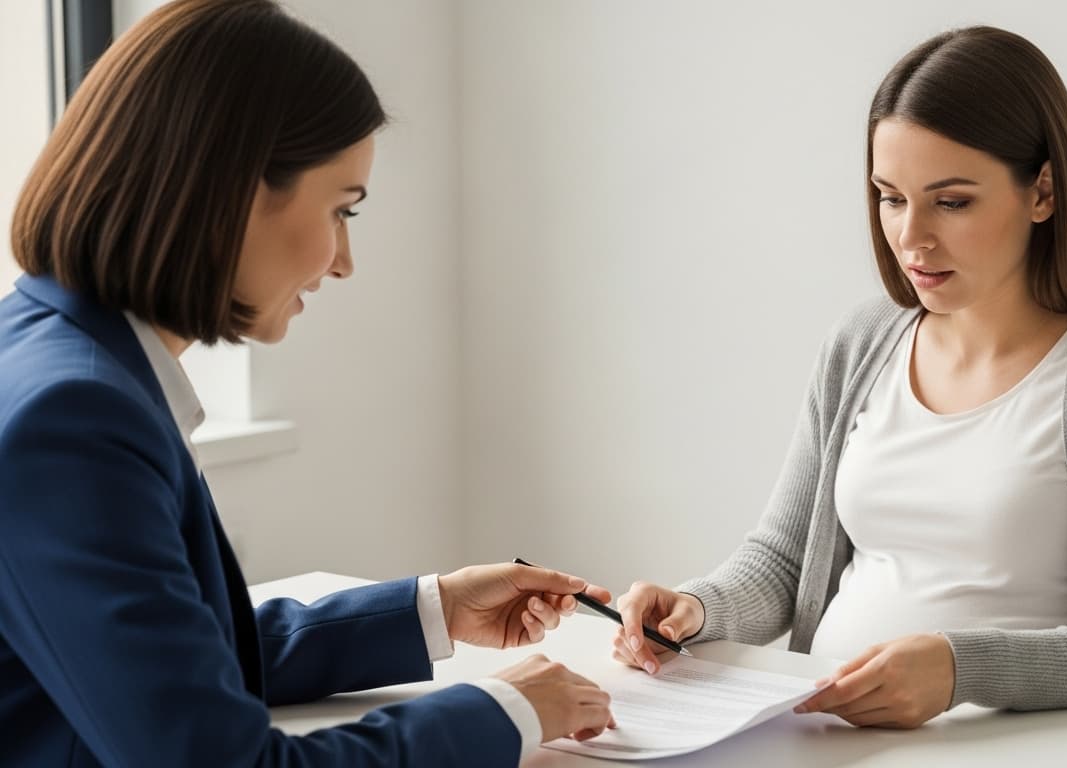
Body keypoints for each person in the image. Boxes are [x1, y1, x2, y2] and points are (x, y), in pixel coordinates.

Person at [0, 1, 613, 764]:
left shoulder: (52, 360)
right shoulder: (74, 419)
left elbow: (169, 660)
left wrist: (434, 609)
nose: (343, 260)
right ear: (231, 193)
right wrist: (505, 711)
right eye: (341, 209)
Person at [612, 25, 1067, 729]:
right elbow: (783, 560)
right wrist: (698, 609)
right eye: (890, 196)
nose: (910, 237)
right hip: (831, 738)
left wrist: (960, 669)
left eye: (952, 201)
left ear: (1044, 192)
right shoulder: (863, 340)